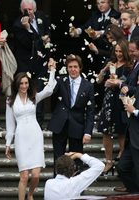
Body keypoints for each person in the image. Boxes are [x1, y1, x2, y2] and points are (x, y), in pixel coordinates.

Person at [5, 58, 56, 200]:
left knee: (35, 175)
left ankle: (31, 194)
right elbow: (10, 125)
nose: (24, 86)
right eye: (21, 83)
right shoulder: (10, 101)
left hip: (35, 135)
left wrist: (52, 71)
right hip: (21, 137)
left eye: (26, 83)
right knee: (24, 176)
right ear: (17, 85)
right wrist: (8, 143)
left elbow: (49, 90)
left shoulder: (34, 97)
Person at [48, 55, 95, 174]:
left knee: (77, 160)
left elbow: (90, 111)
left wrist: (88, 131)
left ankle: (76, 188)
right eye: (70, 67)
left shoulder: (88, 85)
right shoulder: (60, 80)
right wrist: (52, 71)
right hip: (59, 124)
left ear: (80, 68)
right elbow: (49, 90)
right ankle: (57, 188)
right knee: (58, 159)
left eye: (75, 67)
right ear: (67, 68)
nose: (73, 69)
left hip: (77, 126)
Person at [13, 0, 51, 127]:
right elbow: (29, 43)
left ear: (34, 9)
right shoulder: (18, 25)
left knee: (39, 92)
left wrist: (47, 39)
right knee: (27, 92)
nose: (27, 12)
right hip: (25, 64)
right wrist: (28, 28)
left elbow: (48, 32)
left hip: (41, 63)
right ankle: (24, 123)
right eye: (25, 10)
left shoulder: (42, 17)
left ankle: (39, 124)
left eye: (29, 10)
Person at [97, 40, 132, 174]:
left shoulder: (129, 66)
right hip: (108, 100)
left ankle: (122, 159)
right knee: (106, 131)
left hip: (121, 100)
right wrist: (104, 69)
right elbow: (99, 81)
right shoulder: (111, 64)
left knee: (121, 131)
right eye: (116, 51)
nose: (118, 54)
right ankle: (109, 161)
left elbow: (129, 84)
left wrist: (117, 83)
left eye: (120, 51)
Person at [117, 86, 139, 193]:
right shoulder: (137, 90)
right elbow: (123, 100)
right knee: (122, 168)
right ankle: (134, 193)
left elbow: (133, 110)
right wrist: (122, 93)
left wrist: (135, 111)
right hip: (131, 139)